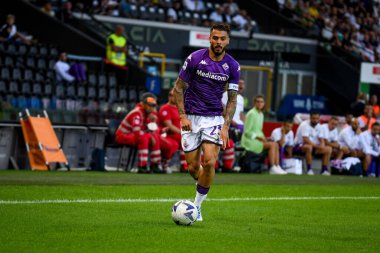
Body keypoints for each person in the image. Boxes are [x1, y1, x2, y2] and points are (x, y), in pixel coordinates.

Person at [173, 23, 239, 221]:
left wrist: (226, 126)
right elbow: (178, 88)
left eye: (222, 39)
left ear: (228, 41)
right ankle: (202, 183)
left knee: (209, 161)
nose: (218, 42)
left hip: (214, 118)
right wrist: (182, 116)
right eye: (215, 38)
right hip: (191, 117)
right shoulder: (194, 58)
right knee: (193, 168)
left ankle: (197, 206)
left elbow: (233, 99)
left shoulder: (233, 66)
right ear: (209, 38)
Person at [115, 92, 163, 173]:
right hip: (123, 135)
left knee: (155, 136)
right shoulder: (137, 113)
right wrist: (149, 135)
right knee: (143, 138)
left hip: (133, 135)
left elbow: (152, 130)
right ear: (143, 104)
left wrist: (153, 122)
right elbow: (137, 131)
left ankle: (155, 164)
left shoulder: (148, 114)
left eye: (153, 105)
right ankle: (142, 166)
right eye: (149, 105)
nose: (151, 108)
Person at [242, 95, 287, 175]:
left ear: (264, 104)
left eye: (261, 102)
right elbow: (247, 132)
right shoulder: (251, 113)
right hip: (249, 142)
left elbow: (258, 131)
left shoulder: (261, 114)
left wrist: (265, 138)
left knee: (275, 144)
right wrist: (259, 138)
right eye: (258, 101)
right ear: (254, 103)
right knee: (273, 145)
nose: (260, 103)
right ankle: (272, 167)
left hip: (258, 140)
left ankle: (277, 166)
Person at [158, 89, 187, 171]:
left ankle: (184, 165)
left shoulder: (181, 108)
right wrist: (183, 133)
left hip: (179, 135)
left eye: (174, 95)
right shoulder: (165, 108)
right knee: (184, 139)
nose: (172, 97)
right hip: (169, 135)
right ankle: (165, 163)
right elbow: (169, 126)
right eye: (171, 95)